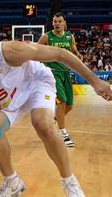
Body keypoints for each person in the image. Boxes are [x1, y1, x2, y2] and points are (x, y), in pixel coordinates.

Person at [0, 30, 112, 197]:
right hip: (8, 102)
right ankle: (12, 182)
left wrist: (95, 81)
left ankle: (69, 182)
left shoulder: (9, 52)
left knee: (42, 124)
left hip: (36, 83)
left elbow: (60, 54)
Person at [38, 12, 82, 147]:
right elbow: (35, 50)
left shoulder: (69, 36)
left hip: (66, 72)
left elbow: (74, 50)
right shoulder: (47, 37)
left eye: (59, 21)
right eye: (55, 21)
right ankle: (64, 134)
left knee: (69, 105)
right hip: (53, 73)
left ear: (64, 23)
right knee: (61, 102)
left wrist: (78, 55)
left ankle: (53, 120)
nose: (57, 23)